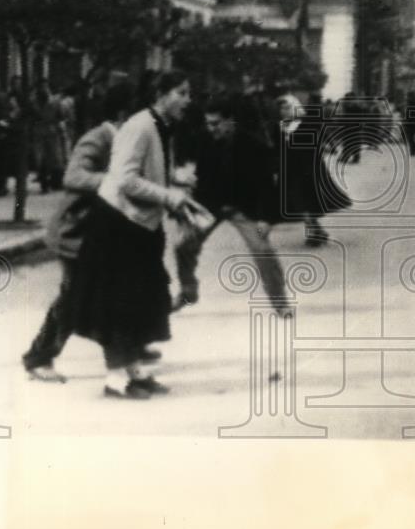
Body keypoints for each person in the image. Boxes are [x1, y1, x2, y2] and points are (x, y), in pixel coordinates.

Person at [68, 71, 211, 399]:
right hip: (118, 225)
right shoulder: (140, 125)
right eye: (182, 92)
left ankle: (134, 372)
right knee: (120, 303)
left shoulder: (160, 126)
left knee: (142, 301)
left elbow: (147, 175)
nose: (188, 100)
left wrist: (175, 189)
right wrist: (168, 196)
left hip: (139, 225)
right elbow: (124, 180)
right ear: (161, 93)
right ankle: (116, 380)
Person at [22, 82, 137, 382]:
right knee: (73, 298)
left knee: (107, 295)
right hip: (75, 233)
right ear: (124, 114)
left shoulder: (124, 141)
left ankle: (125, 354)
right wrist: (115, 180)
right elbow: (74, 175)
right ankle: (38, 358)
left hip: (97, 235)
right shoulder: (98, 138)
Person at [172, 95, 283, 310]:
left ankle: (280, 301)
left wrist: (265, 219)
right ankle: (187, 291)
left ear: (230, 121)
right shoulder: (204, 139)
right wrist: (190, 210)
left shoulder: (254, 145)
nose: (210, 128)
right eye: (208, 123)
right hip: (212, 204)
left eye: (215, 124)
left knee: (262, 249)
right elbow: (200, 178)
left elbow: (267, 187)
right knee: (183, 244)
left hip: (244, 207)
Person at [275, 93, 351, 246]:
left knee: (306, 201)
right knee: (299, 201)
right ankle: (316, 231)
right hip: (290, 169)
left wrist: (328, 147)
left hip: (307, 168)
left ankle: (314, 231)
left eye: (287, 107)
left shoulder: (305, 122)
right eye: (281, 109)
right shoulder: (281, 125)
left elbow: (317, 139)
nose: (284, 111)